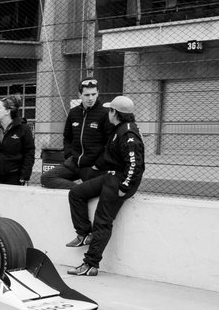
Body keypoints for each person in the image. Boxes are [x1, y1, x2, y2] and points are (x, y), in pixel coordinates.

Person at [67, 95, 146, 276]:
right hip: (111, 176)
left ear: (114, 112)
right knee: (76, 193)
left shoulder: (128, 133)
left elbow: (135, 164)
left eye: (110, 110)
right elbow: (111, 155)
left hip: (120, 181)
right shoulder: (119, 129)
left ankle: (90, 265)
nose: (107, 113)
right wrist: (97, 167)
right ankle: (85, 234)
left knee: (102, 222)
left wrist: (124, 187)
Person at [41, 78, 111, 190]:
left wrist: (98, 164)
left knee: (101, 191)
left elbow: (110, 143)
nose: (91, 98)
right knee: (46, 178)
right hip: (74, 163)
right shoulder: (74, 113)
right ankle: (79, 189)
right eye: (87, 95)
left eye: (94, 94)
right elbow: (67, 137)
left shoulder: (105, 114)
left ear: (98, 93)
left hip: (93, 167)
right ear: (80, 95)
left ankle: (83, 189)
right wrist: (69, 155)